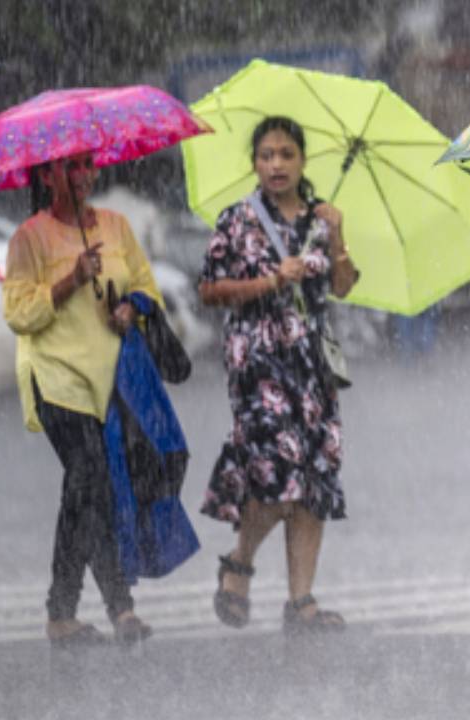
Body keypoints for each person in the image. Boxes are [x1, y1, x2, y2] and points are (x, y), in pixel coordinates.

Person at [198, 115, 359, 635]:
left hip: (311, 361)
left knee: (312, 476)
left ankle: (301, 601)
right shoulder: (238, 219)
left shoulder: (321, 215)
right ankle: (239, 562)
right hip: (258, 359)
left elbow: (343, 285)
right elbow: (210, 289)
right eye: (267, 155)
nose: (276, 164)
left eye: (286, 154)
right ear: (255, 163)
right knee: (275, 473)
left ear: (302, 161)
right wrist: (270, 280)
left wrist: (338, 237)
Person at [3, 151, 159, 648]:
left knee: (85, 490)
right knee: (90, 477)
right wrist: (70, 280)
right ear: (46, 175)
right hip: (55, 378)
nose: (83, 174)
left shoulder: (114, 226)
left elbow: (145, 287)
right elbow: (20, 314)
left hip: (106, 378)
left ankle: (61, 614)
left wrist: (129, 311)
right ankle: (120, 608)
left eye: (88, 164)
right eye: (70, 167)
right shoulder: (30, 237)